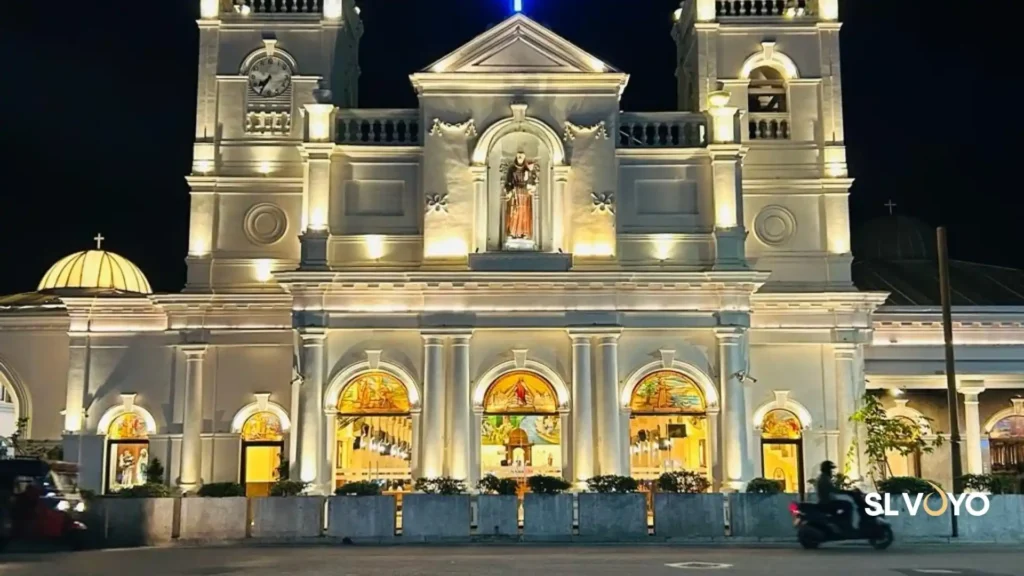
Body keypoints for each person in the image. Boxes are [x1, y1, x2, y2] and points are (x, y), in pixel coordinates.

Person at [816, 460, 854, 532]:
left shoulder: (824, 478)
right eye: (830, 469)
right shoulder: (824, 479)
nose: (832, 472)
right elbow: (834, 490)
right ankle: (847, 526)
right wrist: (848, 492)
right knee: (848, 505)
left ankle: (841, 524)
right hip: (826, 503)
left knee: (844, 505)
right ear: (826, 469)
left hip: (827, 502)